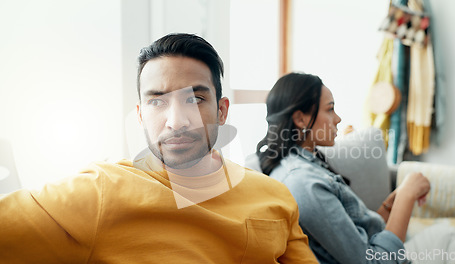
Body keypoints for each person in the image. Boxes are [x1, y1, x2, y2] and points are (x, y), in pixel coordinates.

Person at [0, 34, 319, 263]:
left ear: (222, 111)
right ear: (140, 115)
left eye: (195, 99)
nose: (177, 121)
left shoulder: (275, 196)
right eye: (157, 101)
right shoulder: (101, 192)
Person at [257, 72, 455, 264]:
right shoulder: (304, 184)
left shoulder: (308, 164)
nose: (338, 118)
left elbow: (358, 231)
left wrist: (391, 204)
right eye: (330, 109)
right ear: (300, 119)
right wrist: (407, 195)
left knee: (447, 236)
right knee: (449, 238)